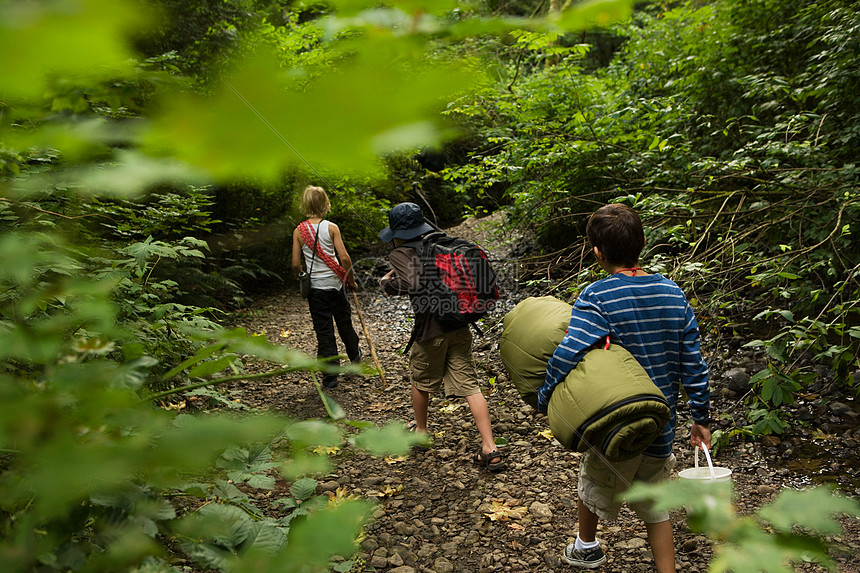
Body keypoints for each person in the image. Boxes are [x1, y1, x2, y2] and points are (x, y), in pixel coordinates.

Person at [537, 203, 711, 571]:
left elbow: (570, 351)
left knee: (593, 483)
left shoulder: (596, 297)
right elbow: (693, 361)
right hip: (660, 425)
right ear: (644, 242)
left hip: (613, 424)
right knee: (657, 506)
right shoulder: (672, 293)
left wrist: (546, 395)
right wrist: (702, 416)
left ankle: (586, 546)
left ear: (596, 251)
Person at [378, 202, 506, 471]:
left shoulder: (402, 251)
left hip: (430, 333)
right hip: (459, 325)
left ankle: (421, 432)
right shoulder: (443, 244)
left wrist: (387, 283)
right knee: (470, 385)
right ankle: (490, 447)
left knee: (421, 380)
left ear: (398, 232)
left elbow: (411, 282)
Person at [291, 185, 361, 389]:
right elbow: (345, 258)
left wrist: (301, 277)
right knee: (344, 322)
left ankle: (330, 377)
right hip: (336, 285)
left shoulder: (298, 231)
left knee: (324, 331)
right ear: (325, 205)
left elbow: (296, 264)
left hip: (316, 289)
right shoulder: (331, 228)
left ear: (304, 205)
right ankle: (355, 358)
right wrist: (351, 281)